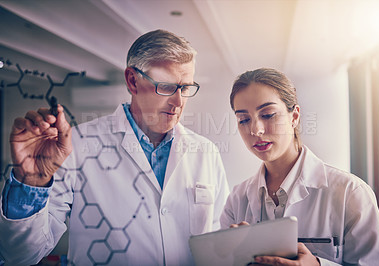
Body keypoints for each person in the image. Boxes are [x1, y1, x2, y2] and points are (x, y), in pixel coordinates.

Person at [0, 29, 230, 265]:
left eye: (185, 88)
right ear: (133, 81)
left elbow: (220, 247)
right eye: (167, 87)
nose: (178, 102)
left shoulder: (206, 152)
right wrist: (31, 182)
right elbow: (21, 256)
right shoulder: (76, 146)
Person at [220, 68, 379, 265]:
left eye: (268, 115)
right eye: (243, 120)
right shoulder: (237, 200)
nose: (256, 130)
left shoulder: (350, 192)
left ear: (294, 117)